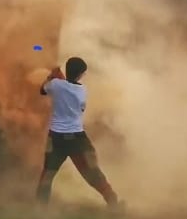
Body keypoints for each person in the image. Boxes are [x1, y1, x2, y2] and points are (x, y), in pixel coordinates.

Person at [36, 56, 123, 209]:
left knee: (47, 175)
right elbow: (80, 107)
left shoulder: (55, 85)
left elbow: (43, 90)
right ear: (80, 74)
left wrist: (52, 76)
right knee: (93, 173)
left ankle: (39, 211)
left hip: (55, 138)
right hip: (76, 139)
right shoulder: (81, 90)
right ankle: (113, 202)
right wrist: (60, 79)